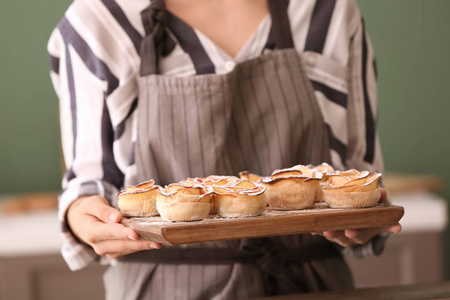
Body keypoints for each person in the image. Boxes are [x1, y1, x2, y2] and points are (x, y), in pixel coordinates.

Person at [48, 0, 401, 299]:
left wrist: (362, 220)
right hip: (163, 287)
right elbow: (90, 186)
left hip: (312, 285)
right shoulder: (99, 22)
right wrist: (84, 217)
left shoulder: (328, 11)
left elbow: (359, 173)